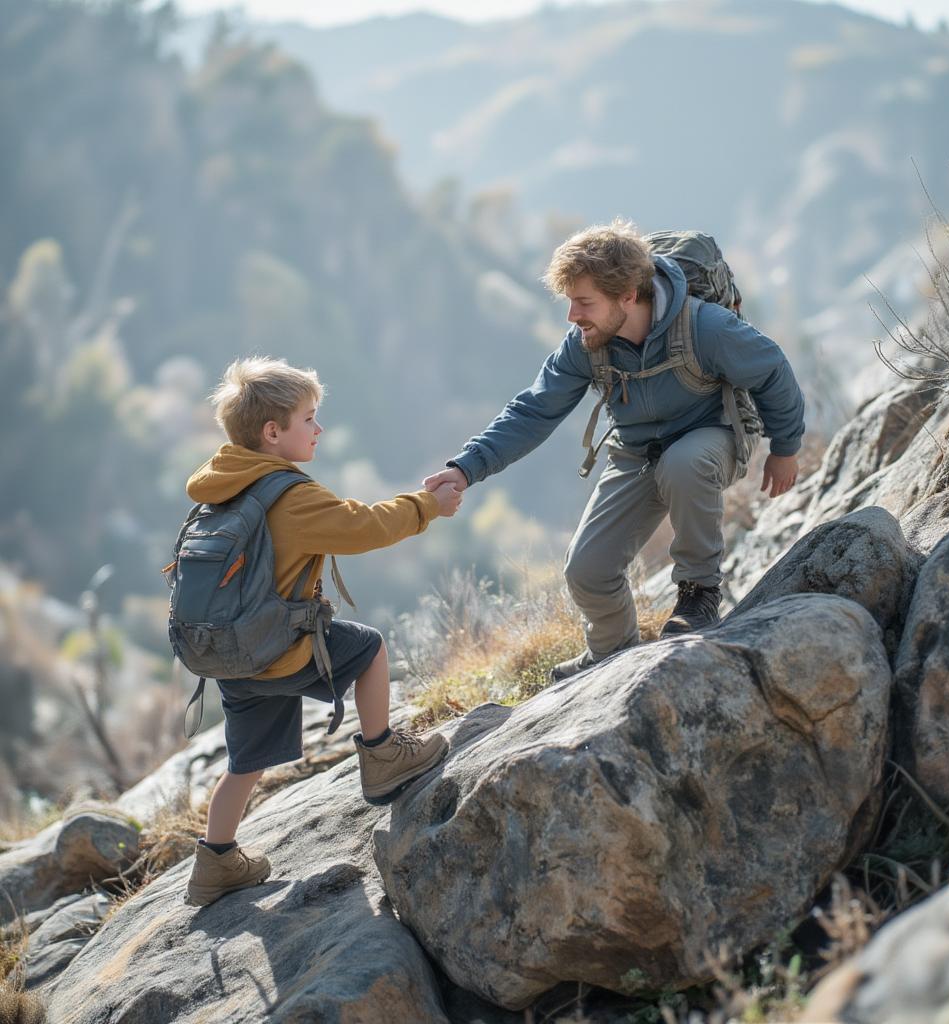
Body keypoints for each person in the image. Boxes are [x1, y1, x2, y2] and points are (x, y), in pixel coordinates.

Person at [424, 221, 804, 681]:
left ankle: (698, 595)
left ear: (627, 295)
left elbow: (771, 369)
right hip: (639, 452)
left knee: (684, 465)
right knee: (586, 570)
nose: (571, 316)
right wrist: (466, 468)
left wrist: (785, 447)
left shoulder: (705, 326)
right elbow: (533, 411)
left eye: (584, 302)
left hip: (713, 436)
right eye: (569, 301)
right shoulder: (586, 344)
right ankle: (611, 653)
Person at [184, 356, 461, 907]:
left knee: (245, 764)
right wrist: (428, 505)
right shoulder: (290, 495)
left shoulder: (219, 487)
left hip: (233, 656)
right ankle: (382, 755)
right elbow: (365, 526)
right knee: (369, 648)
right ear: (272, 432)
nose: (319, 428)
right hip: (281, 650)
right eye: (309, 418)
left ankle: (215, 864)